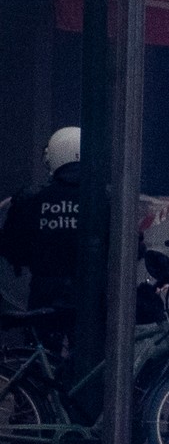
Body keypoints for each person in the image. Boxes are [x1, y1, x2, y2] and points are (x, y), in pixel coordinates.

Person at [0, 126, 86, 343]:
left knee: (40, 358)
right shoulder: (105, 198)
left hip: (45, 291)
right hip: (90, 294)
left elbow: (12, 247)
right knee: (90, 360)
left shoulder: (31, 198)